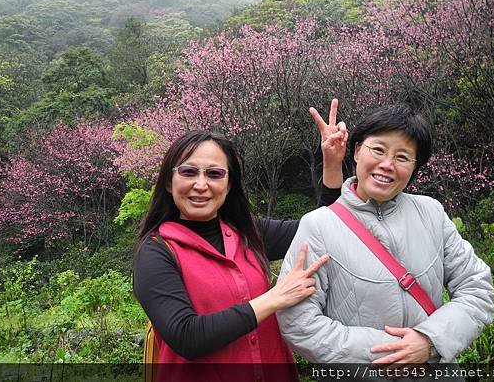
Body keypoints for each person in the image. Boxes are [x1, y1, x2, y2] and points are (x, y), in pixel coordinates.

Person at [133, 101, 347, 381]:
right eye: (188, 172)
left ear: (229, 183)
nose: (201, 184)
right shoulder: (156, 251)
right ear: (168, 182)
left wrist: (331, 164)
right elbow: (186, 336)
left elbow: (322, 228)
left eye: (214, 173)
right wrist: (275, 298)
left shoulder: (248, 232)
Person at [277, 104, 494, 366]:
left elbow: (477, 289)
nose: (387, 164)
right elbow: (298, 322)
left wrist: (429, 341)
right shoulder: (318, 226)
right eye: (378, 150)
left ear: (415, 167)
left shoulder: (432, 214)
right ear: (357, 151)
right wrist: (393, 351)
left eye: (402, 157)